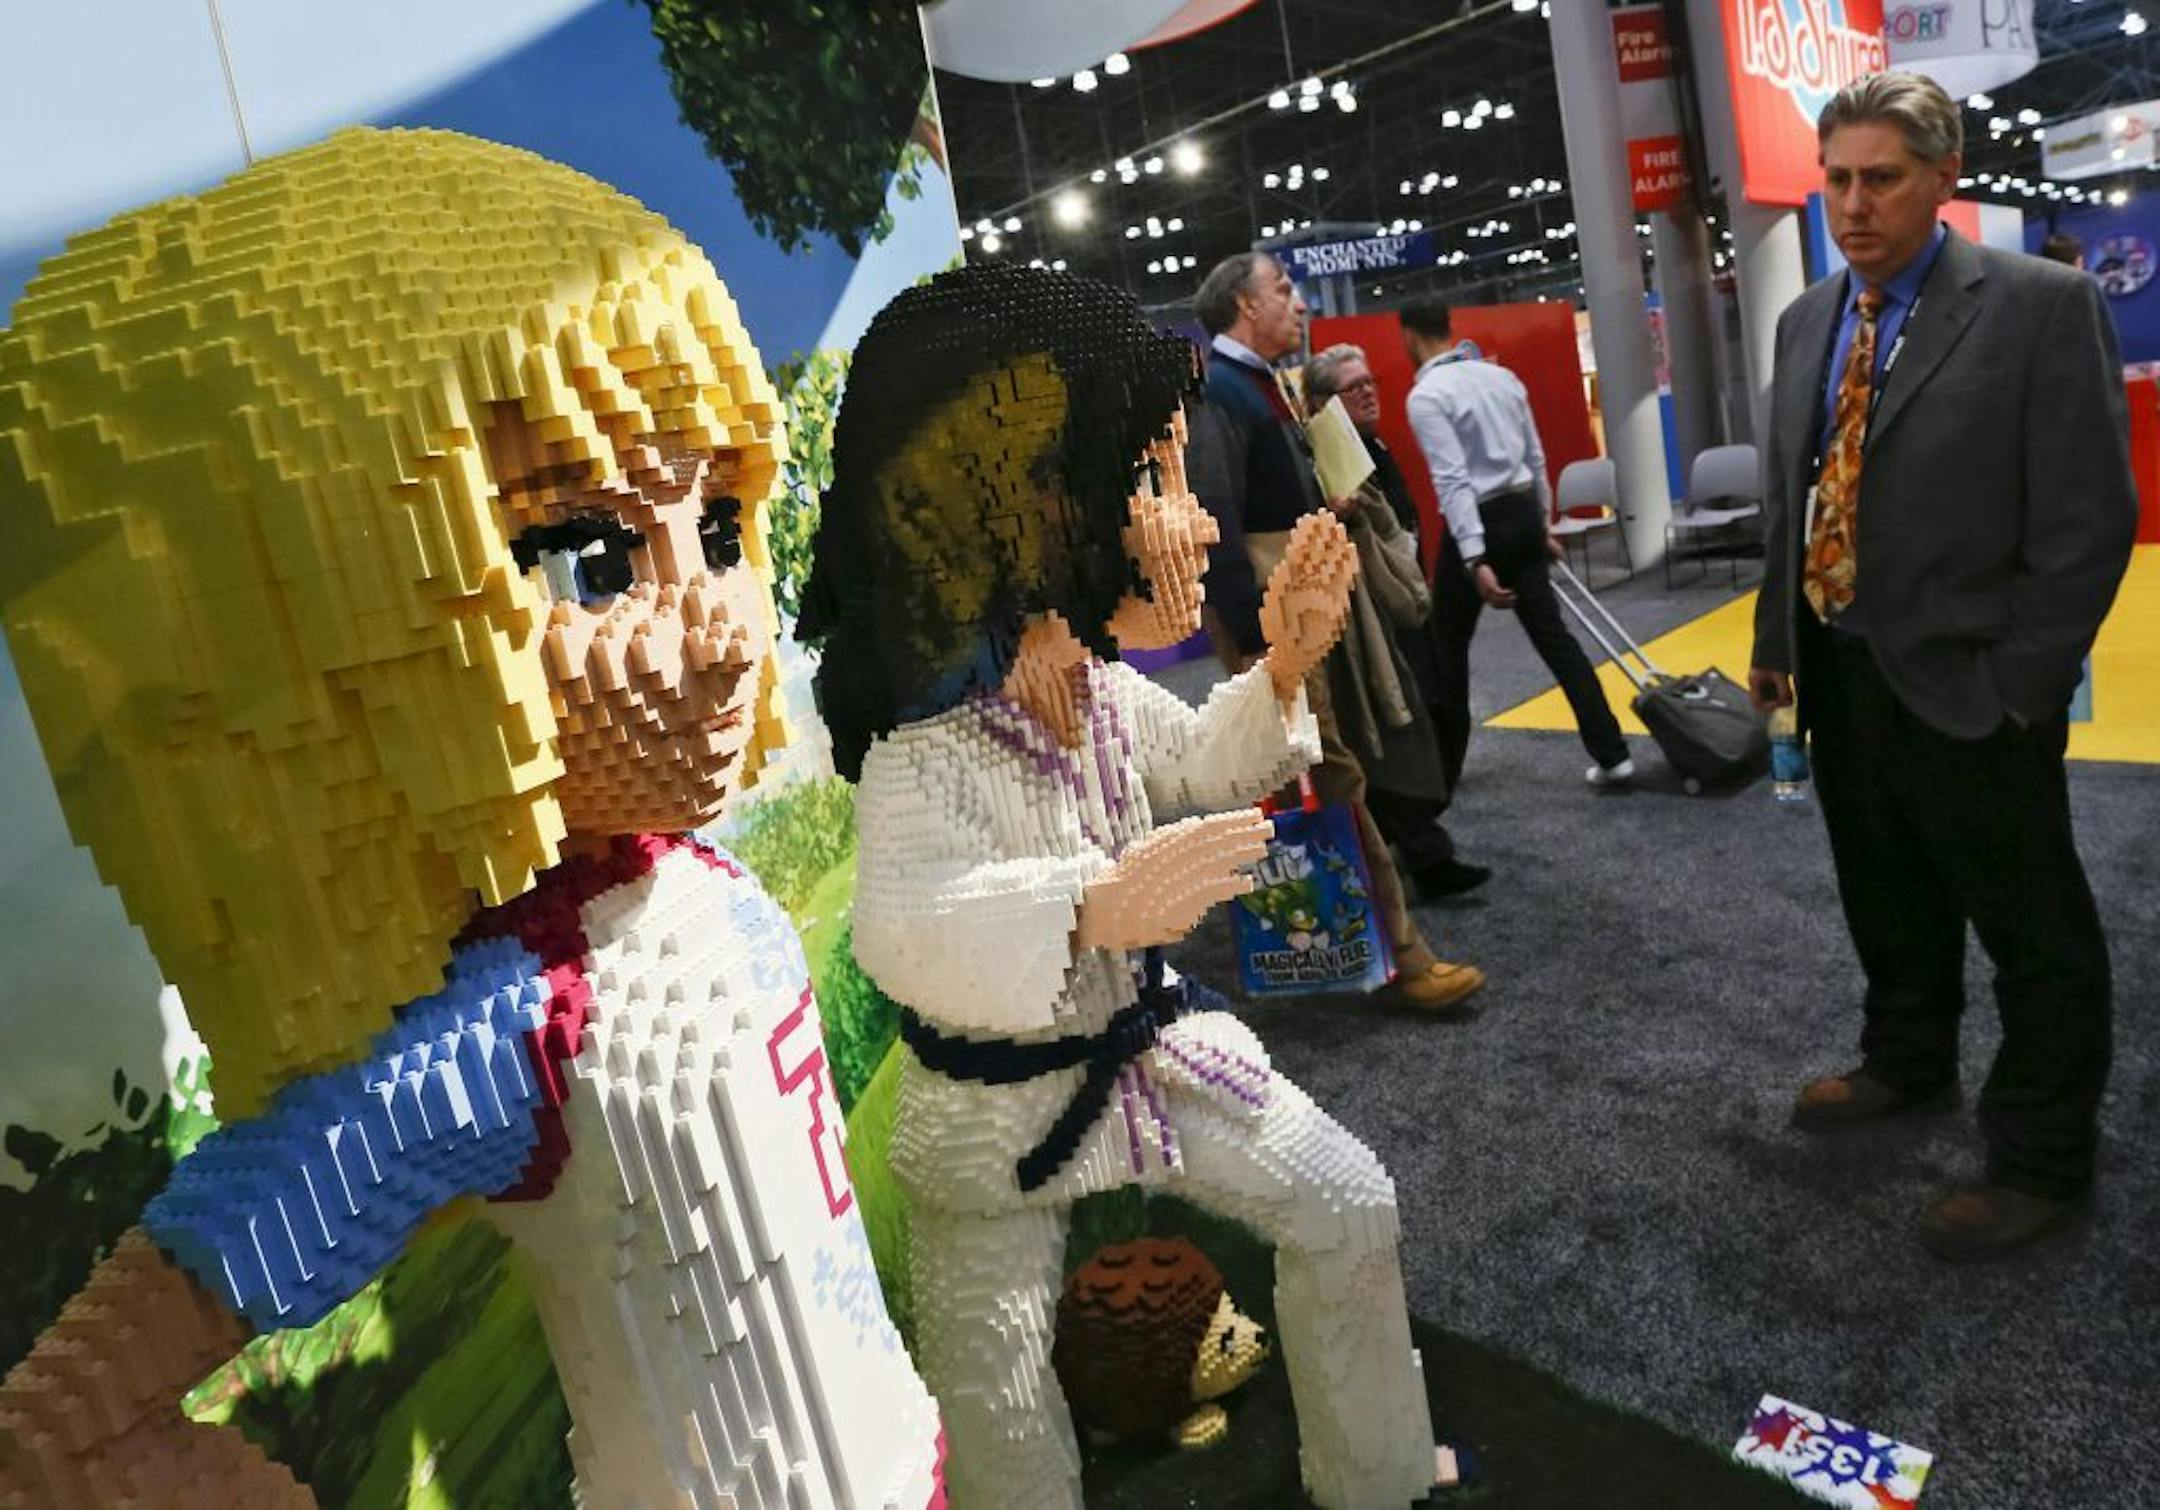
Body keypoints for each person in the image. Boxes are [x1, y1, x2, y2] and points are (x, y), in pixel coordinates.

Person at [0, 128, 941, 1506]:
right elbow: (58, 1429)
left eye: (722, 530)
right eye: (590, 556)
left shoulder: (700, 887)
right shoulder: (507, 1030)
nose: (724, 635)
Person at [800, 262, 1448, 1509]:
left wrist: (1286, 662)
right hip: (994, 1122)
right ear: (1023, 506)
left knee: (1351, 1205)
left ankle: (1377, 1477)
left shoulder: (1098, 693)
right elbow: (898, 926)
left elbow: (1205, 761)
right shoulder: (920, 756)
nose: (1193, 521)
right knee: (990, 1382)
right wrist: (1085, 904)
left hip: (1149, 1054)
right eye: (1152, 482)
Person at [1747, 71, 2136, 1258]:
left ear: (1942, 180)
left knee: (2035, 930)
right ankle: (1907, 1060)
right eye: (1837, 181)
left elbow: (2087, 521)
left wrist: (2024, 682)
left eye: (1882, 179)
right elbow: (1793, 494)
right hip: (1844, 667)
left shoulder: (2039, 305)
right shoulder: (1809, 317)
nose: (1854, 205)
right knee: (1886, 891)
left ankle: (2038, 1156)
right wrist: (1779, 645)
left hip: (1977, 680)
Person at [1185, 251, 1486, 1009]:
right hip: (1276, 621)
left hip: (1297, 608)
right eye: (1281, 289)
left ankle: (1352, 948)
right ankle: (1401, 958)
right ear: (1244, 306)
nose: (1296, 301)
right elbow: (1215, 520)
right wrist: (1260, 645)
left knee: (1323, 777)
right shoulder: (1221, 391)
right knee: (1335, 775)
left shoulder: (1257, 385)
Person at [1399, 298, 1634, 788]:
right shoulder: (1500, 378)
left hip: (1481, 523)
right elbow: (1535, 454)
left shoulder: (1427, 396)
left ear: (1410, 337)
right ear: (1448, 326)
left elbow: (1453, 481)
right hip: (1524, 511)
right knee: (1556, 640)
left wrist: (1474, 556)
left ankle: (1445, 768)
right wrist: (1543, 523)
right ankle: (1614, 753)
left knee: (1448, 644)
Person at [1304, 341, 1491, 896]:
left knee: (1432, 716)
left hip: (1406, 602)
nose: (1366, 392)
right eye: (1351, 386)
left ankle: (1404, 842)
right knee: (1404, 725)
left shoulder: (1372, 445)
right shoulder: (1331, 458)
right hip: (1374, 615)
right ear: (1322, 401)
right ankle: (1424, 851)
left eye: (1369, 382)